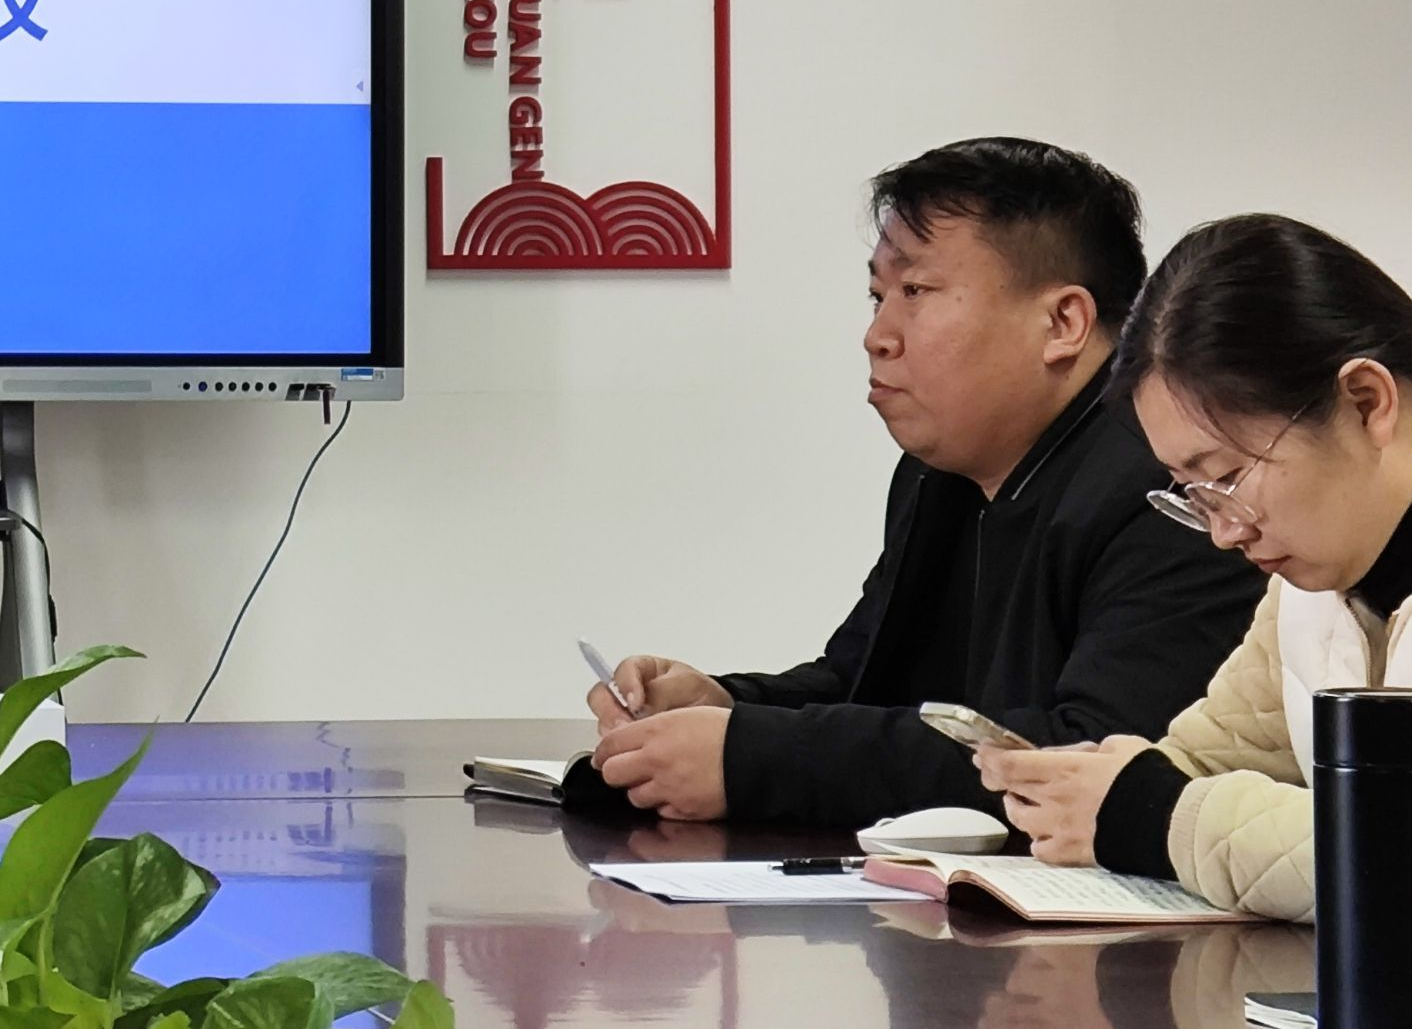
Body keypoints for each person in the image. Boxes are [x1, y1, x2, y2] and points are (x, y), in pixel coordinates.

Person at [590, 139, 1261, 825]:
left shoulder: (1172, 485)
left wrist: (753, 758)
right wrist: (727, 709)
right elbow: (866, 682)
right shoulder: (939, 475)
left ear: (1063, 322)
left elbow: (1097, 755)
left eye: (915, 292)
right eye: (877, 295)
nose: (877, 335)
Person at [979, 213, 1412, 921]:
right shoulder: (1309, 593)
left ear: (1366, 403)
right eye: (1193, 495)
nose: (1224, 532)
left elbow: (1392, 851)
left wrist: (1152, 816)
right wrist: (1083, 783)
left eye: (1230, 477)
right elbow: (1205, 760)